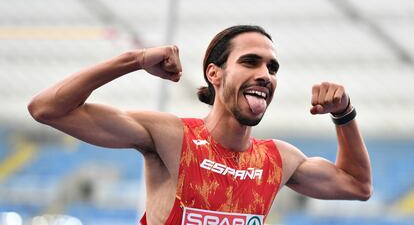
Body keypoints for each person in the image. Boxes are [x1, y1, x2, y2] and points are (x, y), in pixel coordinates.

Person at [28, 25, 372, 225]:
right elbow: (47, 109)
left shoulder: (278, 159)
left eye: (272, 67)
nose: (265, 75)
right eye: (250, 62)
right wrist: (133, 60)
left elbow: (358, 186)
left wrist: (344, 114)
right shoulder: (169, 136)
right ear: (214, 74)